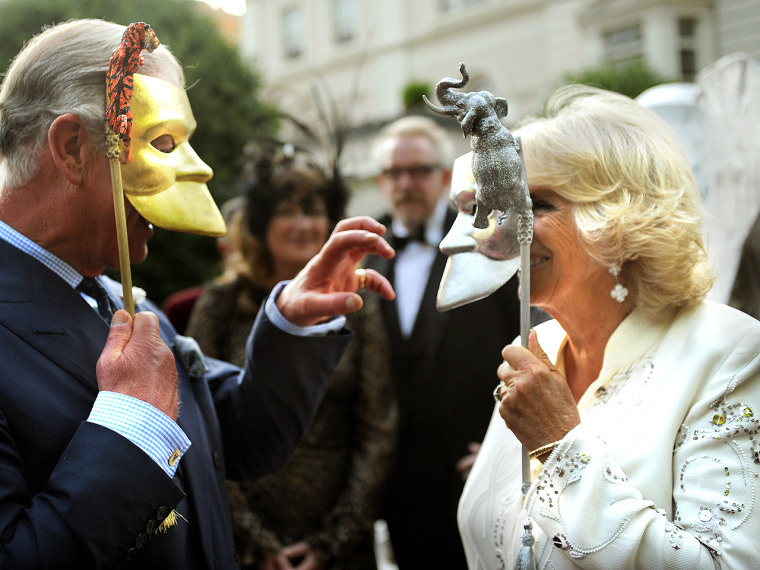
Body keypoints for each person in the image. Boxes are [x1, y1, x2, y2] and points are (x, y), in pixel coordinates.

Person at [0, 19, 395, 569]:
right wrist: (129, 425)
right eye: (163, 142)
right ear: (71, 148)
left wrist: (291, 326)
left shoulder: (122, 300)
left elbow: (240, 438)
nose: (201, 168)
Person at [456, 84, 760, 568]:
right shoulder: (536, 348)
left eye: (538, 205)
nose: (508, 229)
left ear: (620, 219)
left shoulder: (727, 352)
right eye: (505, 206)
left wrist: (559, 446)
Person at [186, 153, 398, 569]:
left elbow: (378, 427)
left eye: (313, 211)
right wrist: (256, 540)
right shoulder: (221, 304)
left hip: (339, 542)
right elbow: (196, 419)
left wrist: (332, 540)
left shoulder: (358, 305)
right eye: (286, 212)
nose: (302, 224)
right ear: (261, 225)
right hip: (244, 545)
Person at [363, 115, 521, 569]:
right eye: (396, 172)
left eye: (420, 171)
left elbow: (526, 339)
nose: (407, 183)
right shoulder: (365, 247)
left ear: (444, 176)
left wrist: (504, 444)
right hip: (396, 477)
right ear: (382, 180)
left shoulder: (485, 241)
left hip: (473, 465)